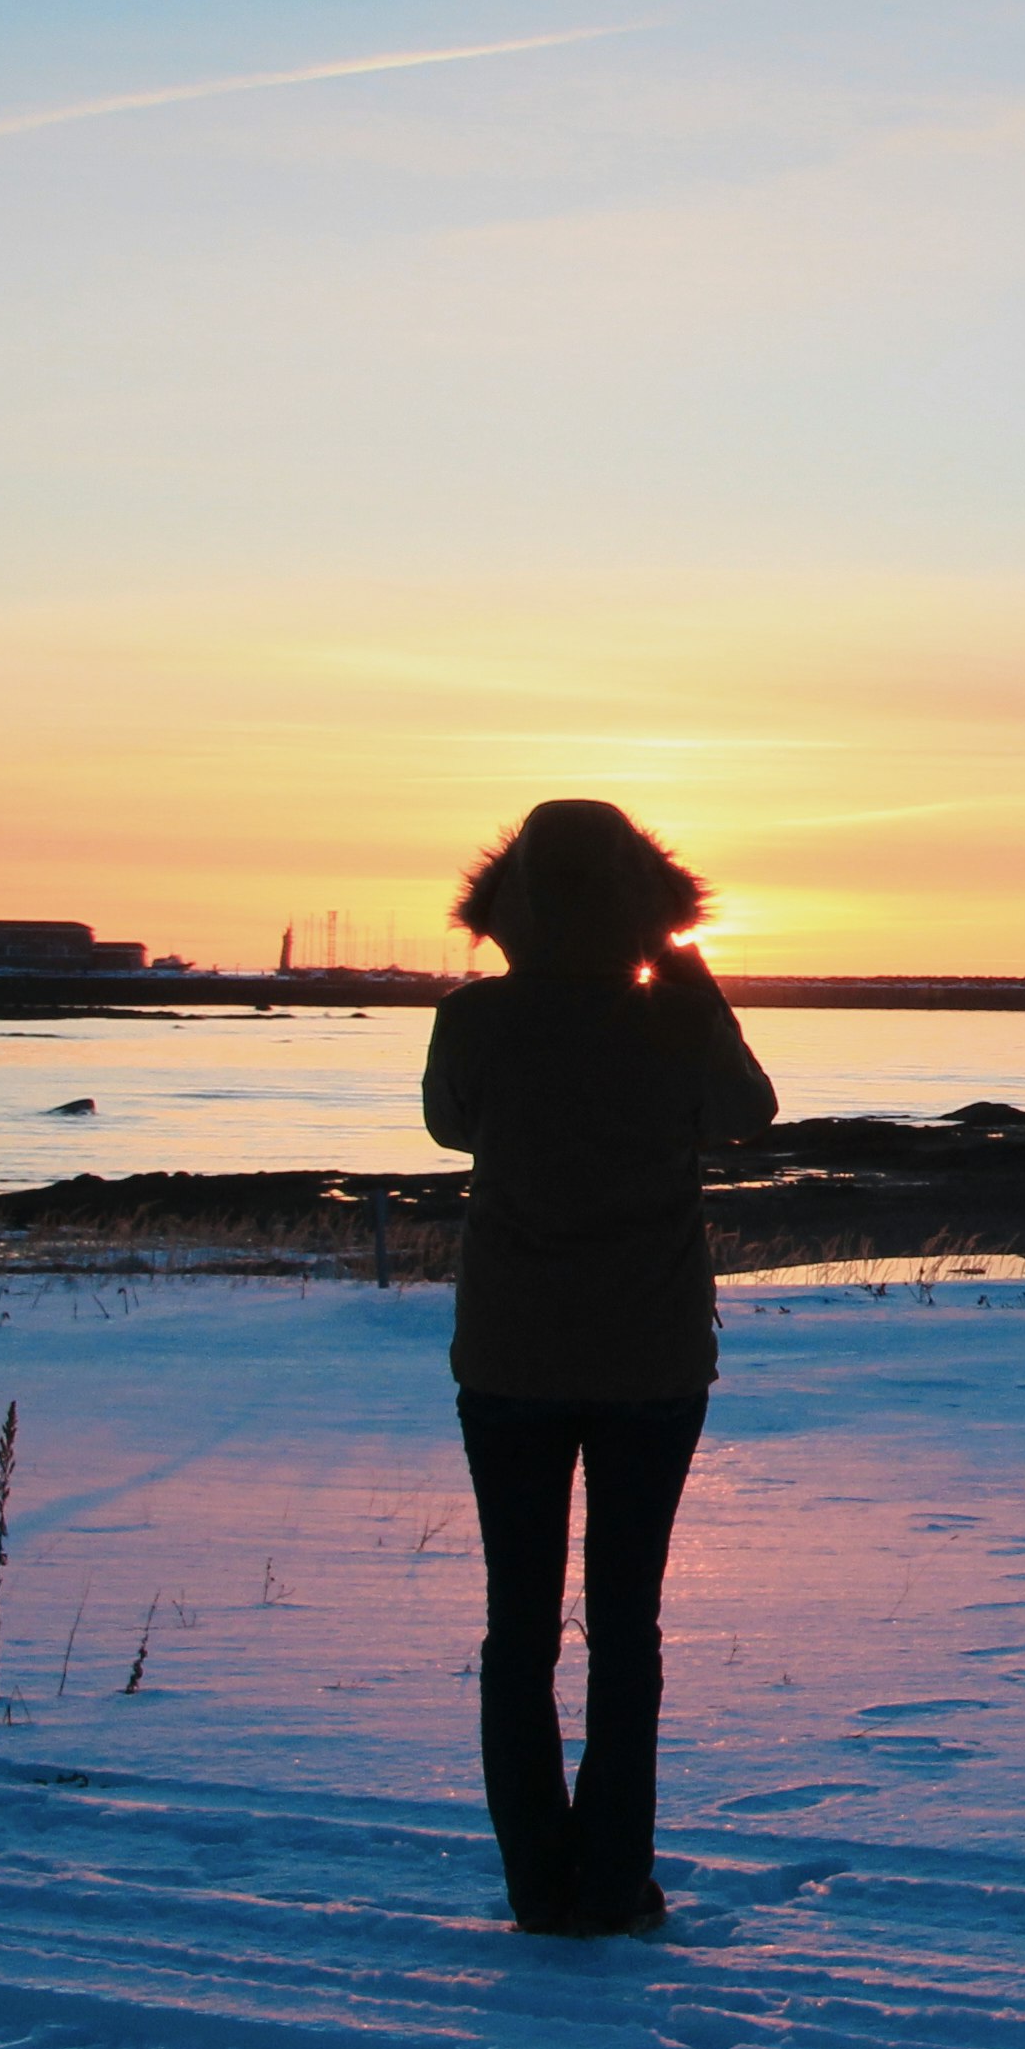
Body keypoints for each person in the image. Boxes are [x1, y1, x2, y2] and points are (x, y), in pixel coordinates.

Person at [421, 799, 777, 1935]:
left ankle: (540, 1882)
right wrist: (691, 980)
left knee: (516, 1628)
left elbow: (447, 1128)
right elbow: (748, 1114)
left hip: (511, 1356)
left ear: (509, 902)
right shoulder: (674, 1020)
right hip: (650, 1360)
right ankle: (614, 1880)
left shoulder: (475, 1019)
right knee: (627, 1628)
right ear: (648, 902)